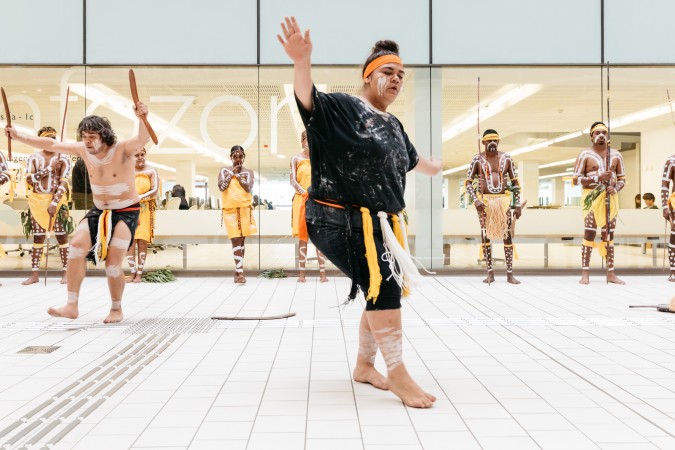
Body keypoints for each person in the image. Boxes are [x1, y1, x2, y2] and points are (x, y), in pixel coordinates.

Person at [278, 17, 442, 408]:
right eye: (388, 72)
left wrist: (432, 167)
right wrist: (302, 62)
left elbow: (411, 160)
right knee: (384, 286)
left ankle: (365, 366)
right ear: (369, 77)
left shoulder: (394, 124)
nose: (397, 79)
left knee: (378, 286)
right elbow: (307, 99)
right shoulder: (341, 108)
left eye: (401, 74)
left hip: (378, 224)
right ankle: (398, 372)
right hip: (336, 219)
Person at [5, 102, 151, 323]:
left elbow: (142, 139)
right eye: (84, 136)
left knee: (112, 263)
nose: (87, 140)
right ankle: (71, 305)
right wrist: (19, 137)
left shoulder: (122, 150)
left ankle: (116, 308)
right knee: (75, 247)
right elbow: (52, 143)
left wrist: (142, 117)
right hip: (99, 210)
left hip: (126, 211)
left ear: (104, 135)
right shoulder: (83, 150)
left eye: (92, 136)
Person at [464, 129, 522, 284]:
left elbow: (515, 182)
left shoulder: (507, 158)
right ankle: (490, 273)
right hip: (485, 202)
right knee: (485, 235)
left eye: (495, 141)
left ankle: (510, 274)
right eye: (489, 141)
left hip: (503, 201)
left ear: (499, 141)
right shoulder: (477, 159)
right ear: (483, 143)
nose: (492, 144)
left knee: (507, 235)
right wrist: (476, 200)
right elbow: (468, 182)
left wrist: (517, 204)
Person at [572, 121, 626, 285]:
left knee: (608, 234)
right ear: (591, 136)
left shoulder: (616, 155)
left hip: (610, 198)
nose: (601, 135)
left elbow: (622, 179)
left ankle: (611, 273)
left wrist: (615, 188)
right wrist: (597, 178)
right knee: (589, 233)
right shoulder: (585, 155)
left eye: (604, 132)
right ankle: (585, 272)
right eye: (597, 133)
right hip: (592, 198)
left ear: (608, 136)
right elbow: (576, 180)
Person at [22, 127, 72, 285]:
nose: (51, 141)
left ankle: (66, 272)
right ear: (41, 141)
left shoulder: (64, 157)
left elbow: (64, 182)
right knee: (38, 237)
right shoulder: (33, 158)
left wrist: (55, 202)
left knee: (61, 236)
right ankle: (35, 274)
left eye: (53, 138)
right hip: (37, 202)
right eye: (47, 138)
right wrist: (50, 168)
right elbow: (30, 180)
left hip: (57, 202)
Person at [290, 130, 328, 282]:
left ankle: (323, 274)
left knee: (319, 237)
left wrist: (314, 193)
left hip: (317, 200)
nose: (308, 141)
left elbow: (323, 180)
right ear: (302, 141)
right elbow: (293, 180)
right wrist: (305, 192)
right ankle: (301, 274)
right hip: (301, 200)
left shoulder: (319, 159)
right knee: (302, 238)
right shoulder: (295, 158)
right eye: (305, 138)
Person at [218, 145, 256, 283]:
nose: (238, 159)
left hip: (245, 208)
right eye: (235, 157)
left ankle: (238, 270)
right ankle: (241, 273)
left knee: (241, 241)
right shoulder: (224, 170)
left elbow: (248, 188)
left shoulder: (249, 172)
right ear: (231, 157)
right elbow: (222, 187)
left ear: (244, 157)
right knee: (235, 239)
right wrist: (231, 174)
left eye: (241, 157)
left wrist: (238, 176)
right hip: (230, 210)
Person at [126, 148, 158, 283]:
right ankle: (132, 272)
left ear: (146, 155)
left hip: (145, 209)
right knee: (130, 241)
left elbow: (154, 190)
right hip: (128, 209)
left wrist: (139, 197)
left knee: (142, 240)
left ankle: (140, 273)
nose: (140, 157)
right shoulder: (127, 170)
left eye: (142, 154)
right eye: (136, 155)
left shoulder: (151, 170)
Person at [660, 155, 675, 281]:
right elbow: (665, 184)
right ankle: (673, 270)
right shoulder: (671, 161)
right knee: (674, 235)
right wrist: (665, 206)